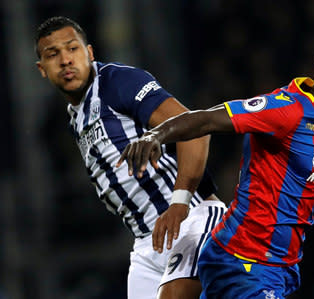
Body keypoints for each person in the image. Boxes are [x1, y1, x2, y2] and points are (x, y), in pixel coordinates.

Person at [117, 35, 314, 298]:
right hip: (243, 260)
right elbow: (207, 120)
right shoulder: (287, 111)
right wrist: (155, 135)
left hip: (277, 267)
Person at [34, 16, 226, 299]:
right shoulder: (76, 117)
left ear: (89, 53)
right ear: (42, 69)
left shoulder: (117, 82)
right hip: (147, 243)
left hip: (190, 220)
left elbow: (196, 131)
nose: (65, 60)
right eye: (53, 54)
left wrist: (179, 204)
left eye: (72, 49)